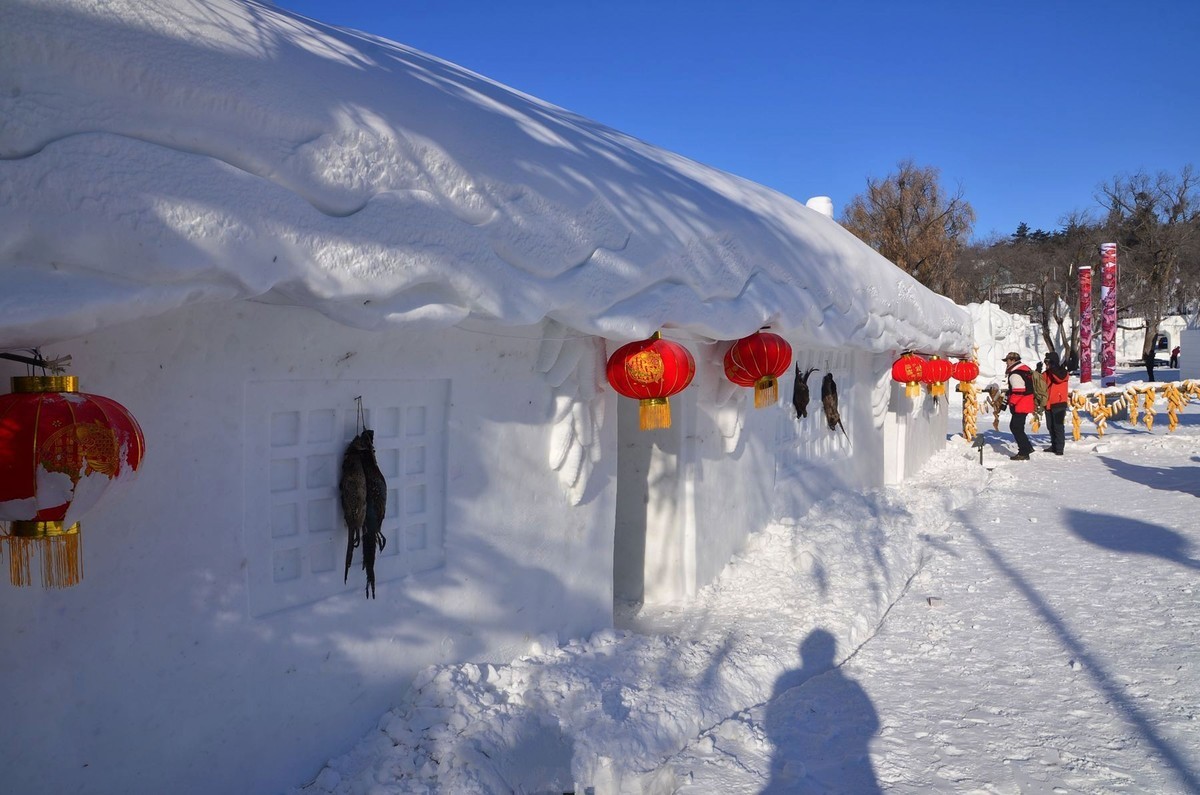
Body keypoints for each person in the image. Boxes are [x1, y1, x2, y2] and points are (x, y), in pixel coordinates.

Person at [1002, 351, 1035, 460]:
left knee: (1016, 428)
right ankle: (1028, 447)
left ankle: (1024, 452)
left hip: (1021, 404)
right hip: (1027, 402)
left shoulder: (1015, 373)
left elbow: (1019, 391)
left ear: (1012, 360)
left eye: (1007, 361)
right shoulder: (1025, 370)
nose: (1006, 363)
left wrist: (1011, 402)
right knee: (1018, 427)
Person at [1042, 351, 1070, 455]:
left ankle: (1059, 448)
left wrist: (1053, 368)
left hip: (1059, 403)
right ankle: (1054, 445)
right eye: (1045, 362)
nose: (1047, 365)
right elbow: (1039, 382)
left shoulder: (1062, 372)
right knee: (1050, 426)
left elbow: (1059, 379)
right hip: (1048, 403)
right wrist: (1037, 371)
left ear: (1053, 362)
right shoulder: (1047, 373)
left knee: (1058, 426)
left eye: (1048, 362)